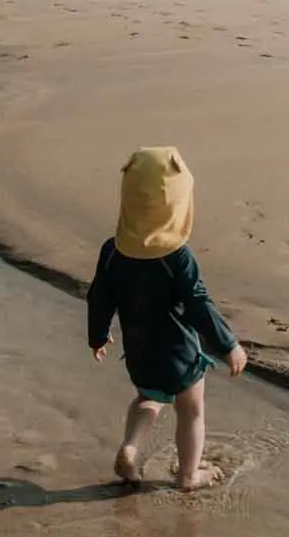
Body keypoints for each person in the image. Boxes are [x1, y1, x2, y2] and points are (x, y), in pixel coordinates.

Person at [87, 146, 248, 491]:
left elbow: (100, 294)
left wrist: (97, 335)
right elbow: (198, 304)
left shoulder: (112, 250)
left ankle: (130, 449)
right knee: (191, 411)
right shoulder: (177, 257)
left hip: (139, 349)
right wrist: (228, 344)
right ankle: (189, 475)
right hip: (179, 352)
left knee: (148, 399)